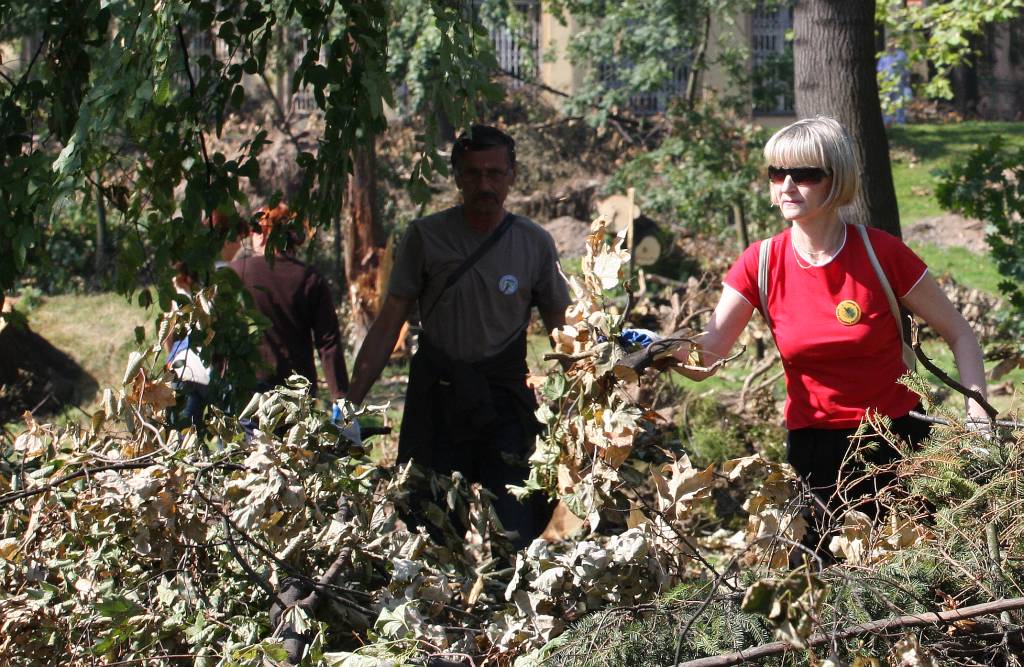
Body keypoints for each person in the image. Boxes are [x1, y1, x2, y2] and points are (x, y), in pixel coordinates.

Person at [674, 116, 988, 551]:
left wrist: (978, 418)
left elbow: (960, 334)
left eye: (804, 174)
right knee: (828, 581)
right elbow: (708, 355)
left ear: (835, 179)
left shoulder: (882, 253)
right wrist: (649, 350)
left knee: (911, 573)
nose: (787, 186)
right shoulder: (759, 263)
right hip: (814, 454)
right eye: (776, 173)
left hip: (898, 443)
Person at [346, 125, 570, 548]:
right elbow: (389, 322)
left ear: (512, 176)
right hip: (439, 396)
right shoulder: (425, 237)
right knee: (428, 525)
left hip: (504, 400)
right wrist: (348, 404)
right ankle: (439, 586)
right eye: (473, 174)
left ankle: (507, 584)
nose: (485, 185)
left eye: (495, 173)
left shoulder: (534, 243)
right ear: (457, 178)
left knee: (517, 526)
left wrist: (588, 403)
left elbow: (564, 332)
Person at [230, 203, 349, 401]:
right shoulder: (310, 278)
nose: (251, 236)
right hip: (297, 392)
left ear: (264, 232)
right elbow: (328, 342)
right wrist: (340, 396)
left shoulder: (236, 273)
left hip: (247, 390)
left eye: (254, 230)